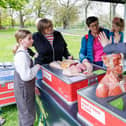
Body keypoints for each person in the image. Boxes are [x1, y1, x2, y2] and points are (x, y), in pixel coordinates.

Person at [13, 29, 41, 126]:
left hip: (26, 87)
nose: (32, 40)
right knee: (28, 115)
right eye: (29, 39)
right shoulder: (21, 56)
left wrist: (33, 87)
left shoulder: (25, 52)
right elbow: (26, 76)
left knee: (26, 113)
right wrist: (37, 66)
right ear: (21, 41)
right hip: (24, 89)